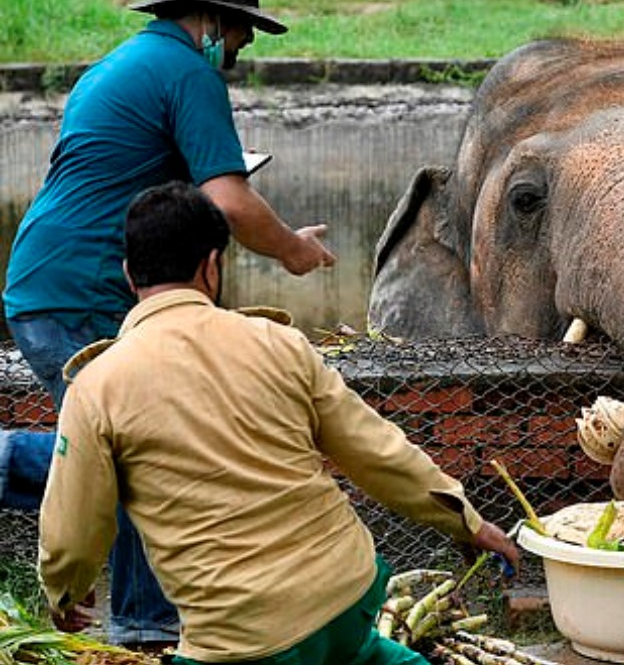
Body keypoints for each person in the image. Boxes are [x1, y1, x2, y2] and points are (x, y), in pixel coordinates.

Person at [1, 0, 335, 649]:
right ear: (214, 21)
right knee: (132, 449)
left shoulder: (120, 64)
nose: (238, 50)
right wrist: (294, 251)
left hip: (51, 276)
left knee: (127, 446)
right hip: (86, 285)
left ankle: (146, 625)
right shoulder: (189, 71)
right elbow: (229, 199)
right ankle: (146, 628)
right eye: (240, 34)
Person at [38, 183, 520, 664]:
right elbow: (375, 450)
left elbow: (72, 532)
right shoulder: (279, 342)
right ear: (211, 266)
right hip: (346, 594)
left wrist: (64, 593)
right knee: (358, 652)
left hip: (241, 639)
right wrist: (466, 520)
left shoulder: (96, 385)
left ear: (128, 275)